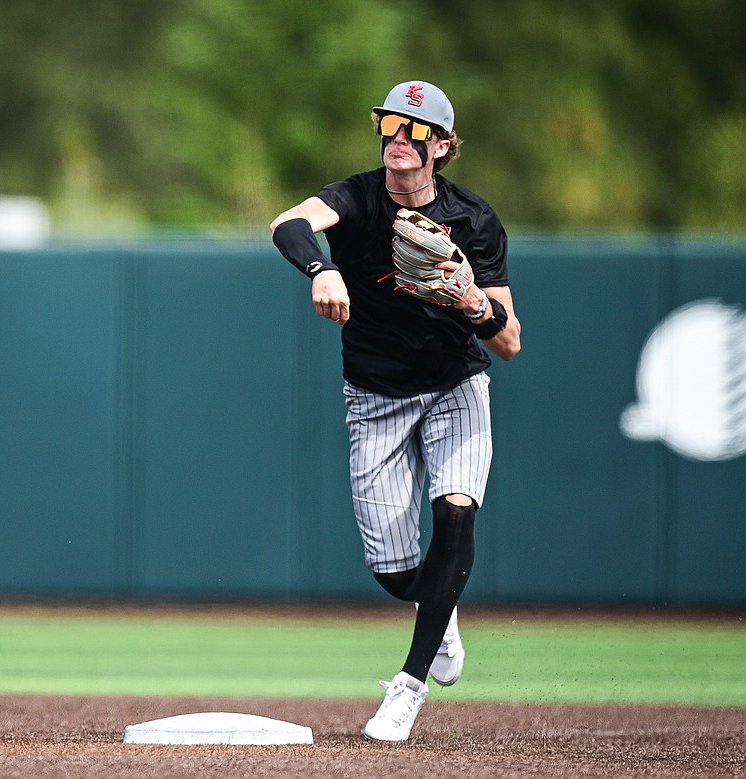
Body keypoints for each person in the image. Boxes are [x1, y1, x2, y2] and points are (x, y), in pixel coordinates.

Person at [269, 80, 521, 742]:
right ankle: (441, 605)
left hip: (454, 388)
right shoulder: (355, 198)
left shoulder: (474, 220)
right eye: (389, 125)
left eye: (413, 131)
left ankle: (407, 686)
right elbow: (288, 223)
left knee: (456, 516)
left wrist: (470, 301)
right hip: (376, 397)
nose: (397, 140)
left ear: (441, 146)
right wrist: (320, 270)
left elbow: (509, 340)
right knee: (394, 571)